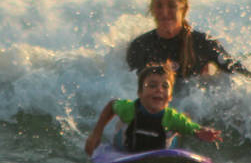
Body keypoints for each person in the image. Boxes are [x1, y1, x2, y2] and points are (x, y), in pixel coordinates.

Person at [126, 0, 251, 81]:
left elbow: (241, 73)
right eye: (159, 6)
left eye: (172, 6)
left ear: (184, 9)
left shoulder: (203, 43)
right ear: (152, 9)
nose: (164, 12)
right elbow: (129, 88)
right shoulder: (140, 46)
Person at [84, 64, 223, 156]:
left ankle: (179, 129)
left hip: (163, 140)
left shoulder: (171, 117)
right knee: (123, 123)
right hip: (126, 143)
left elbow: (195, 129)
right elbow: (112, 105)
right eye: (152, 85)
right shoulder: (130, 109)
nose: (159, 90)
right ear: (139, 93)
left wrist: (201, 131)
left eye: (165, 86)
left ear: (170, 97)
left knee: (181, 125)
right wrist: (96, 134)